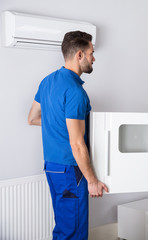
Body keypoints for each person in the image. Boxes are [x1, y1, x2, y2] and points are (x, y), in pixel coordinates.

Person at [27, 31, 108, 239]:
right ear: (79, 55)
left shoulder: (47, 82)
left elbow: (33, 118)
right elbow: (77, 144)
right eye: (91, 53)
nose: (94, 58)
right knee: (74, 232)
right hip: (71, 171)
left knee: (64, 227)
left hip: (52, 167)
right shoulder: (75, 91)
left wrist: (58, 125)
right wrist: (92, 180)